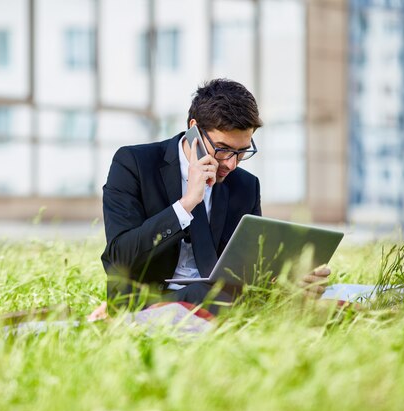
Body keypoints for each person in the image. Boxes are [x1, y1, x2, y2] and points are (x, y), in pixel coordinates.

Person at [96, 79, 328, 317]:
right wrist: (185, 205)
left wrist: (290, 282)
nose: (230, 163)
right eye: (222, 148)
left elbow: (247, 270)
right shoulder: (133, 163)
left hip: (217, 301)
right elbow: (118, 259)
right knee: (204, 294)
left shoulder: (245, 185)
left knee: (309, 306)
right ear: (194, 128)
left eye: (241, 152)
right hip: (145, 302)